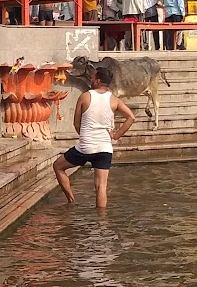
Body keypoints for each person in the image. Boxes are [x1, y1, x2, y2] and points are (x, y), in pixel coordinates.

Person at [53, 62, 136, 209]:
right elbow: (131, 117)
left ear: (97, 80)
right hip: (105, 147)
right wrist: (116, 136)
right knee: (101, 187)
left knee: (58, 167)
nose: (91, 79)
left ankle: (71, 200)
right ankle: (101, 222)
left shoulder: (85, 97)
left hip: (85, 147)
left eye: (92, 77)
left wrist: (84, 135)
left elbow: (76, 123)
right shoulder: (114, 100)